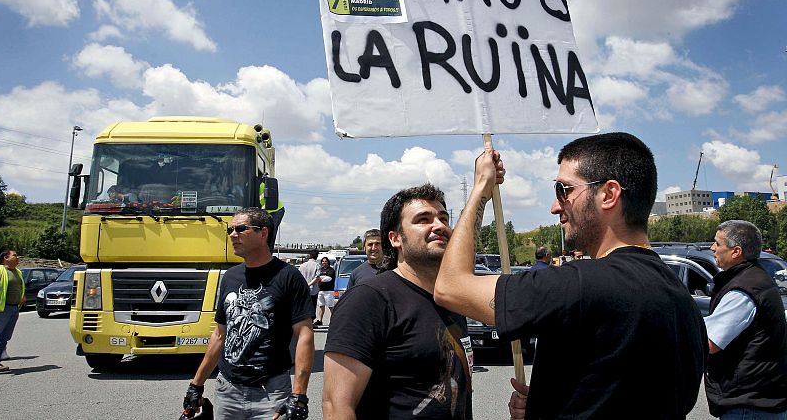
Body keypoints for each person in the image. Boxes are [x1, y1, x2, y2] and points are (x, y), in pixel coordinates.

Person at [435, 133, 707, 419]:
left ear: (609, 194)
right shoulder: (683, 303)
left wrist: (481, 189)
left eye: (563, 190)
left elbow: (451, 287)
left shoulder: (577, 284)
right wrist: (548, 402)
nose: (555, 206)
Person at [323, 184, 473, 419]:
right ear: (395, 238)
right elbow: (336, 406)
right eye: (423, 219)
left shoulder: (450, 299)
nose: (439, 226)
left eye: (443, 218)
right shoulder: (368, 299)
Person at [182, 208, 315, 419]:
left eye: (241, 229)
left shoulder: (289, 277)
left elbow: (304, 336)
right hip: (228, 392)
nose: (233, 234)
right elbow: (219, 335)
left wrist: (299, 395)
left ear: (263, 234)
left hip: (271, 393)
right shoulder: (230, 278)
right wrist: (196, 385)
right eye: (231, 229)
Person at [704, 220, 787, 419]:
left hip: (749, 405)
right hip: (760, 400)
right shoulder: (753, 278)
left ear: (736, 251)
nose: (712, 248)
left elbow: (710, 342)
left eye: (717, 243)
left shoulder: (744, 290)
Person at [0, 249, 25, 373]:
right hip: (1, 310)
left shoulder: (17, 272)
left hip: (14, 308)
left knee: (4, 338)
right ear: (6, 258)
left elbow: (20, 287)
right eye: (15, 255)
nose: (17, 258)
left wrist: (21, 297)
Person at [298, 250, 321, 327]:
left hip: (303, 289)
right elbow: (317, 277)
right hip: (313, 290)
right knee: (312, 306)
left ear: (309, 255)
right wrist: (309, 284)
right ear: (316, 256)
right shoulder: (317, 265)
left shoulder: (302, 265)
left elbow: (299, 277)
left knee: (304, 305)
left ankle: (304, 322)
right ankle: (311, 322)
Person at [315, 257, 336, 326]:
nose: (324, 262)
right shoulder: (320, 270)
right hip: (320, 291)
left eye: (326, 261)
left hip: (329, 291)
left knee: (330, 307)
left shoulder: (331, 270)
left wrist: (320, 279)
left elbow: (329, 278)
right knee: (321, 306)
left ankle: (334, 321)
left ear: (328, 262)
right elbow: (315, 277)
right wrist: (320, 278)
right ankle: (320, 321)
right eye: (323, 261)